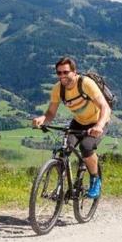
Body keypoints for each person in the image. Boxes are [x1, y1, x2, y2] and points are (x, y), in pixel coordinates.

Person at [32, 56, 111, 198]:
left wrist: (99, 125)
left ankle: (95, 179)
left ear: (74, 72)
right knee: (65, 150)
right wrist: (42, 119)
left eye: (66, 72)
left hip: (98, 122)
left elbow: (105, 107)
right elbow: (51, 113)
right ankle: (61, 187)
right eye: (59, 72)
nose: (62, 75)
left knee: (86, 147)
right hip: (78, 122)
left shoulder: (86, 84)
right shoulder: (58, 89)